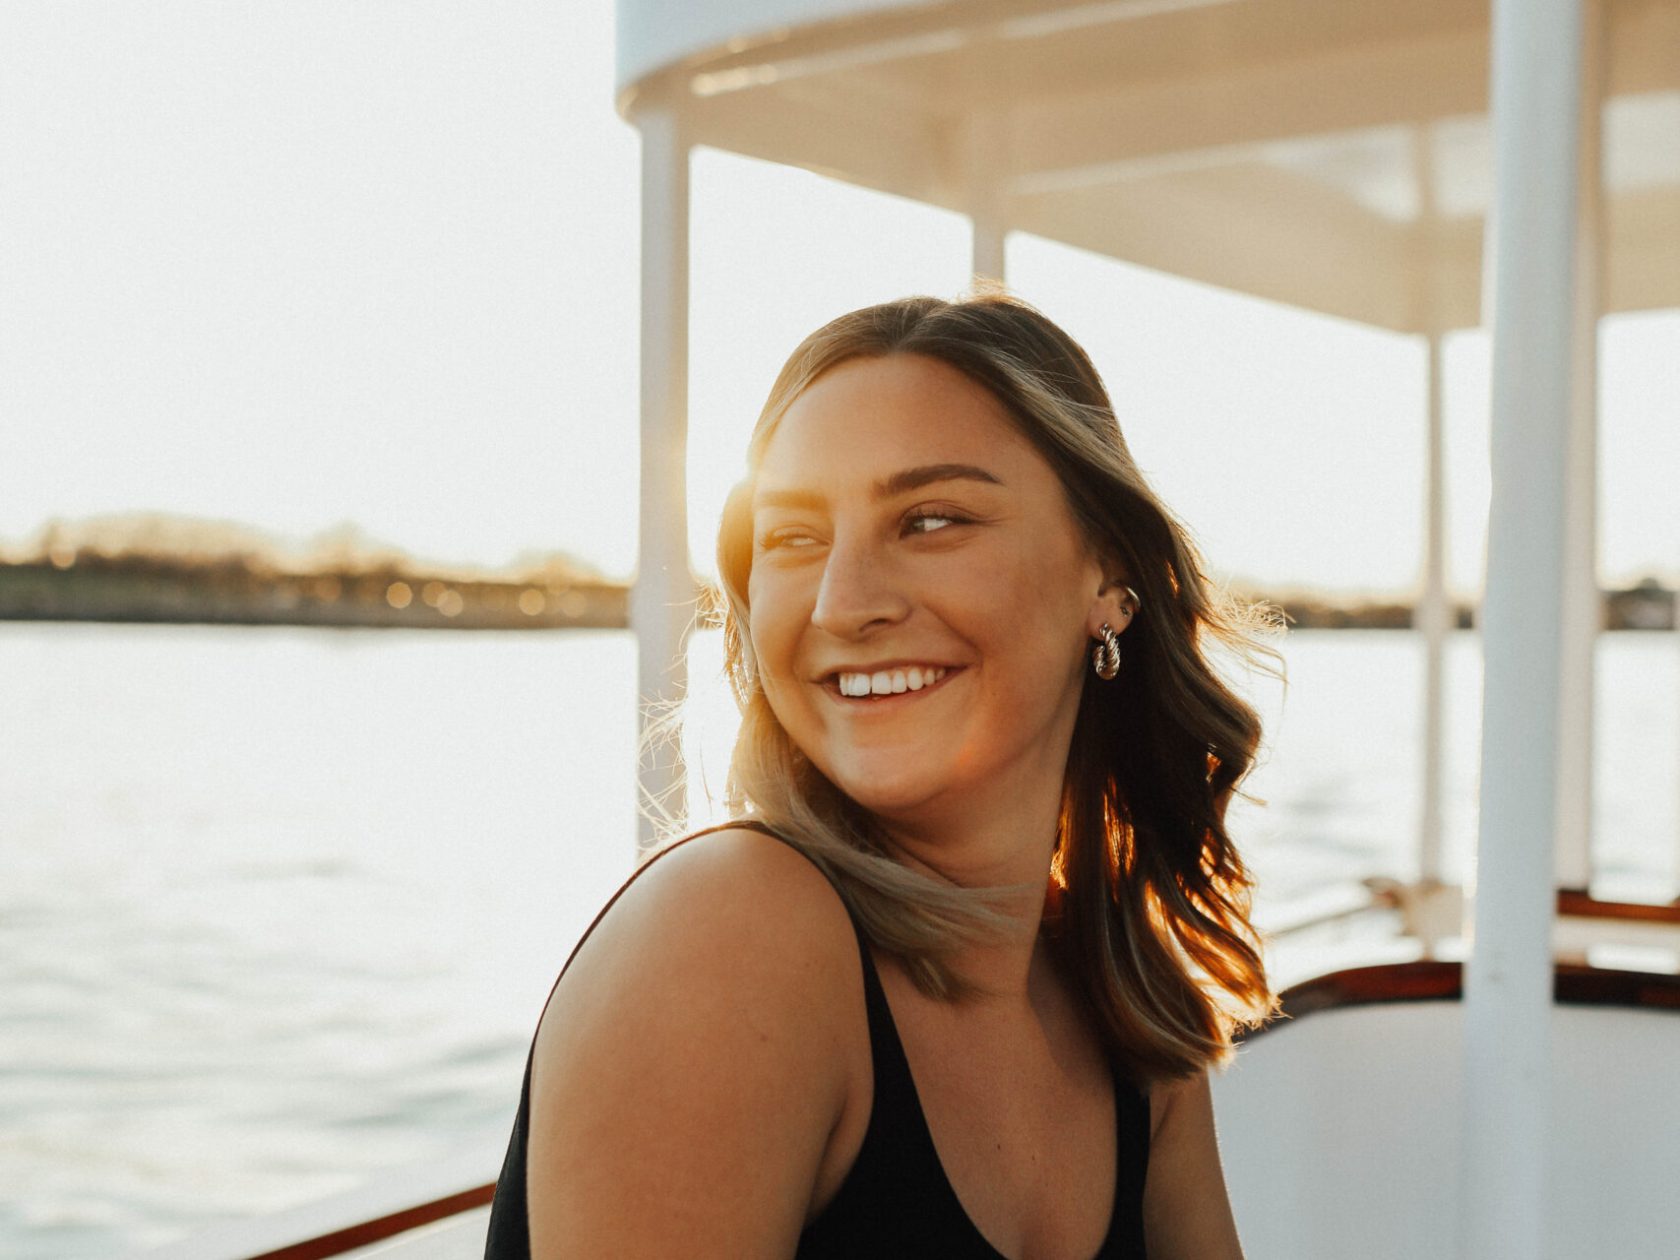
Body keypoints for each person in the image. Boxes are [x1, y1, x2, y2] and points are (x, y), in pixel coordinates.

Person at [484, 292, 1283, 1259]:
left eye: (931, 519)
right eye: (793, 537)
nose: (842, 602)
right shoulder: (728, 936)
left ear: (1108, 575)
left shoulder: (1128, 1003)